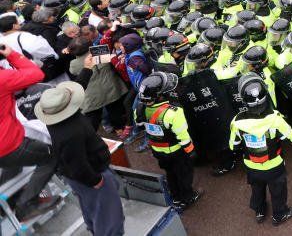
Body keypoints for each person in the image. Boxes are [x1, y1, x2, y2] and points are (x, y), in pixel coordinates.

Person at [35, 82, 124, 235]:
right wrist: (95, 181)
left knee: (92, 210)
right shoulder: (71, 133)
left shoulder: (56, 124)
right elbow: (78, 165)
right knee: (110, 218)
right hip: (92, 175)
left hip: (77, 176)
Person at [229, 73, 292, 225]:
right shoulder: (275, 118)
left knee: (257, 189)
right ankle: (279, 215)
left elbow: (233, 146)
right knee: (278, 191)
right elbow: (291, 137)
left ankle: (260, 212)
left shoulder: (237, 121)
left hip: (251, 166)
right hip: (274, 166)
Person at [0, 44, 59, 221]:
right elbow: (36, 74)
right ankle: (26, 205)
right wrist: (12, 55)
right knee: (53, 156)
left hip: (5, 146)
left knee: (14, 166)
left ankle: (7, 204)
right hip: (9, 143)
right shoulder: (3, 78)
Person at [136, 72, 203, 212]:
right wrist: (191, 152)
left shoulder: (139, 109)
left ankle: (176, 197)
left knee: (170, 173)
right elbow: (183, 136)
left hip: (157, 150)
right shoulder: (174, 112)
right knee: (184, 174)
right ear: (159, 95)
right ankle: (188, 197)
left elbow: (141, 126)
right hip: (176, 152)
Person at [0, 14, 60, 81]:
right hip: (36, 72)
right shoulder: (23, 36)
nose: (20, 23)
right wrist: (55, 56)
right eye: (18, 22)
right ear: (14, 26)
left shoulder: (1, 42)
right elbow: (42, 49)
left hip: (17, 77)